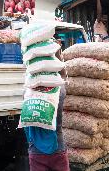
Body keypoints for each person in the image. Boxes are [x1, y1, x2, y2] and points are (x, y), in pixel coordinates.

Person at [24, 37, 69, 171]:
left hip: (36, 150)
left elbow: (29, 71)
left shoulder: (27, 91)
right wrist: (57, 54)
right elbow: (64, 76)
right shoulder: (59, 91)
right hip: (57, 148)